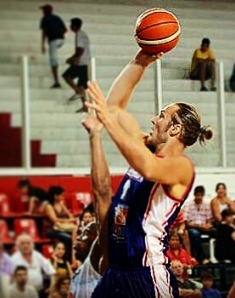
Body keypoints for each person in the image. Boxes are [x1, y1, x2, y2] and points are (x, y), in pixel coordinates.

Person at [85, 49, 213, 297]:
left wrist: (107, 121)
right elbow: (114, 108)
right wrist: (140, 60)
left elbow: (148, 168)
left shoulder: (181, 167)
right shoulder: (147, 148)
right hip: (117, 273)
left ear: (175, 129)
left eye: (162, 116)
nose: (154, 119)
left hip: (146, 275)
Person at [68, 113, 112, 298]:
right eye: (82, 232)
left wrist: (95, 136)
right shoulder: (79, 271)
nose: (80, 236)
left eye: (87, 233)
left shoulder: (98, 264)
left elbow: (101, 193)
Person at [62, 17, 90, 112]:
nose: (70, 26)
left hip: (81, 63)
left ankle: (78, 91)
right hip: (85, 62)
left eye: (71, 24)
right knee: (81, 84)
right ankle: (85, 107)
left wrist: (72, 58)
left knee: (66, 76)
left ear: (74, 25)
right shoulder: (83, 34)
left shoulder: (79, 35)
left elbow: (80, 50)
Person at [43, 186, 77, 262]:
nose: (63, 197)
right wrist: (68, 220)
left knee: (76, 235)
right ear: (55, 196)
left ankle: (76, 258)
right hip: (51, 230)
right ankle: (68, 260)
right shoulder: (48, 206)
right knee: (68, 238)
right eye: (62, 195)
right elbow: (54, 220)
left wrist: (70, 218)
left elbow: (70, 215)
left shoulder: (61, 205)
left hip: (62, 228)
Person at [184, 185, 214, 264]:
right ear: (194, 195)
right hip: (193, 227)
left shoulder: (206, 204)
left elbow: (209, 220)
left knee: (216, 232)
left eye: (201, 195)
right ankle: (202, 258)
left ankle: (219, 256)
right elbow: (187, 223)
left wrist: (209, 225)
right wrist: (200, 227)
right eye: (197, 195)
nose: (199, 197)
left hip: (204, 227)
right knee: (195, 234)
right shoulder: (188, 205)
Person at [39, 4, 67, 88]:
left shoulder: (45, 19)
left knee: (53, 61)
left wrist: (43, 45)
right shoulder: (57, 17)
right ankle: (56, 81)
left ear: (46, 11)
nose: (42, 12)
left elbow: (44, 32)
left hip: (53, 41)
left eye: (43, 10)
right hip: (61, 40)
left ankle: (56, 82)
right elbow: (65, 29)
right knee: (54, 57)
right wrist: (60, 34)